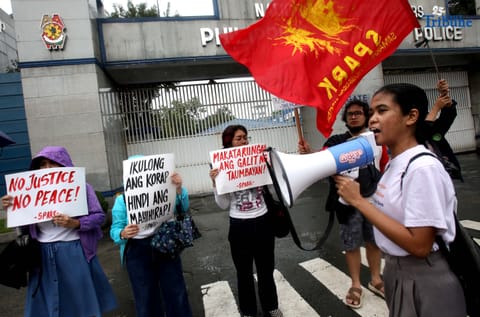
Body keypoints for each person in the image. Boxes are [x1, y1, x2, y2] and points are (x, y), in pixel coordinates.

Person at [334, 83, 466, 317]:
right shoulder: (397, 163)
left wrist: (360, 202)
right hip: (397, 270)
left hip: (424, 277)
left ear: (411, 116)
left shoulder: (422, 168)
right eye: (372, 112)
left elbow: (420, 245)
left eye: (382, 111)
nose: (372, 120)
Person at [1, 146, 117, 317]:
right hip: (41, 253)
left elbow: (99, 216)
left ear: (63, 165)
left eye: (52, 163)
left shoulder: (82, 187)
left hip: (74, 251)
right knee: (48, 302)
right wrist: (13, 209)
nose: (47, 168)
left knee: (79, 301)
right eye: (42, 164)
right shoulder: (29, 191)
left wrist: (76, 223)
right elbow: (25, 229)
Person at [298, 99, 388, 309]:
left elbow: (384, 167)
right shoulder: (336, 142)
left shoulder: (378, 139)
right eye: (350, 114)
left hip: (374, 202)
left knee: (374, 242)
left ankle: (376, 280)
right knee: (352, 244)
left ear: (366, 116)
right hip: (347, 205)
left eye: (358, 113)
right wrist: (310, 154)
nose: (354, 116)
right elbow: (321, 163)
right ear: (345, 119)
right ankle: (356, 284)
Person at [209, 125, 283, 317]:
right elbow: (223, 205)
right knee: (244, 273)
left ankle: (271, 306)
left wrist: (270, 171)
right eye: (239, 138)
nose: (244, 141)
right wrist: (216, 184)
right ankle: (248, 311)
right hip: (239, 226)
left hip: (263, 221)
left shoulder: (257, 160)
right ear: (229, 142)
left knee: (266, 269)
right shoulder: (222, 168)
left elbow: (274, 192)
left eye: (245, 137)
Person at [109, 157, 193, 317]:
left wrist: (179, 189)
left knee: (175, 290)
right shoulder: (122, 200)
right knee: (145, 296)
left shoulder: (166, 191)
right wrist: (122, 233)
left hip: (165, 243)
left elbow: (183, 207)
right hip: (136, 250)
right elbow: (115, 229)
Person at [425, 79, 463, 181]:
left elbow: (446, 118)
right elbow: (421, 133)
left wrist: (444, 96)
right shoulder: (403, 137)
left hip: (443, 178)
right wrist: (435, 108)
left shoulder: (434, 133)